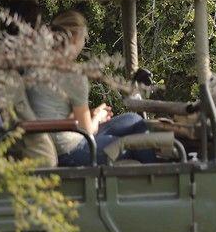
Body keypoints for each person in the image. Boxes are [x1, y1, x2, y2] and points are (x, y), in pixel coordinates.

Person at [27, 10, 153, 165]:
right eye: (84, 38)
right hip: (70, 151)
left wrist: (91, 113)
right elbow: (87, 130)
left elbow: (48, 112)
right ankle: (158, 179)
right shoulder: (73, 75)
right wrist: (97, 117)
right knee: (137, 140)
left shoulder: (34, 66)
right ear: (75, 38)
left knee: (133, 119)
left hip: (47, 142)